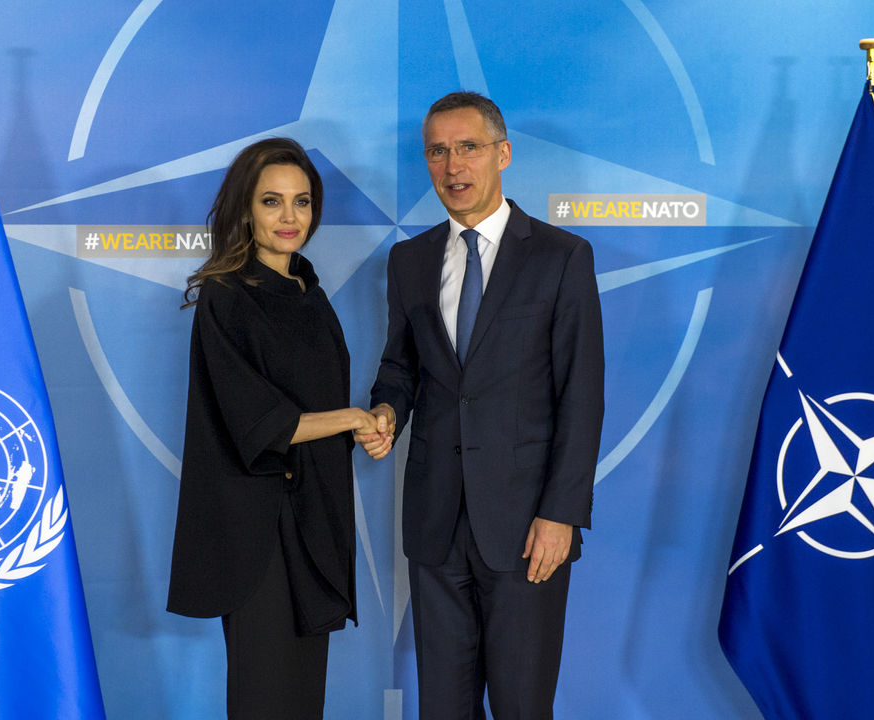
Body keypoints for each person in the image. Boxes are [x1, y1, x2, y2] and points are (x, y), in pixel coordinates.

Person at [358, 92, 605, 718]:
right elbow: (400, 367)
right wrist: (387, 411)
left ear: (503, 154)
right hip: (436, 525)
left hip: (527, 529)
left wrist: (562, 514)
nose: (452, 166)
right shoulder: (408, 260)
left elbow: (581, 394)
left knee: (522, 706)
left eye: (468, 147)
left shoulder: (562, 256)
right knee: (443, 706)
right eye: (437, 152)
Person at [168, 137, 374, 720]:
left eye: (302, 202)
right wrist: (353, 418)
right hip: (259, 534)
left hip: (315, 526)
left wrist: (367, 427)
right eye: (272, 202)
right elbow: (258, 423)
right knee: (266, 701)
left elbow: (320, 406)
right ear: (244, 210)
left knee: (303, 702)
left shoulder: (310, 291)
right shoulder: (225, 297)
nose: (290, 217)